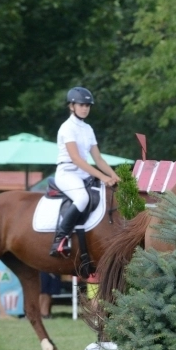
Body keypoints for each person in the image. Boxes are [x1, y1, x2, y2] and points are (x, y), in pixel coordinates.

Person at [50, 87, 119, 256]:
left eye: (88, 105)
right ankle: (60, 239)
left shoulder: (88, 129)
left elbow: (98, 159)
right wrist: (102, 176)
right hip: (67, 172)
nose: (85, 108)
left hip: (83, 173)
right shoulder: (67, 128)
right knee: (82, 198)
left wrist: (114, 176)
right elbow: (76, 159)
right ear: (71, 106)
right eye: (81, 105)